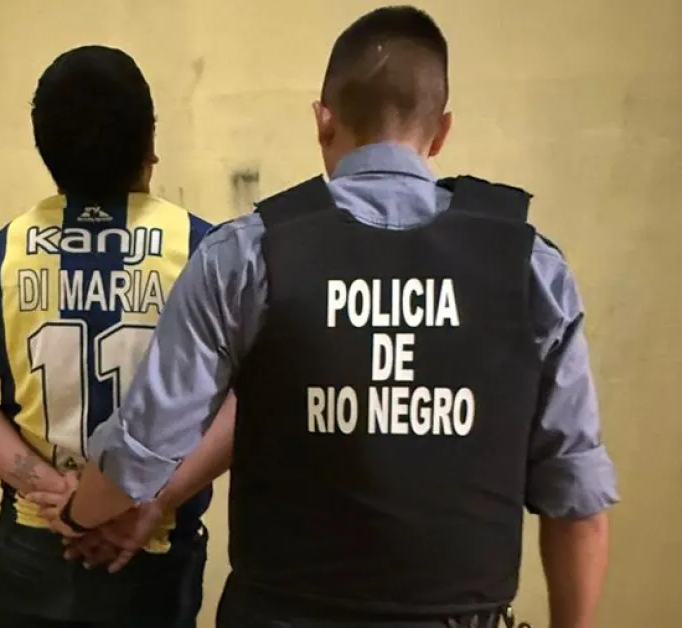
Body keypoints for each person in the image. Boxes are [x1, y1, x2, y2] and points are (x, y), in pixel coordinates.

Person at [45, 7, 619, 628]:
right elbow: (578, 501)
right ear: (441, 132)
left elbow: (143, 449)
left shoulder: (245, 254)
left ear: (323, 120)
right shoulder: (531, 267)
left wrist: (77, 515)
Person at [0, 44, 232, 628]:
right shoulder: (210, 254)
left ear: (45, 151)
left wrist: (54, 492)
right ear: (150, 145)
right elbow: (250, 399)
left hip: (35, 541)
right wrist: (156, 501)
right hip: (152, 543)